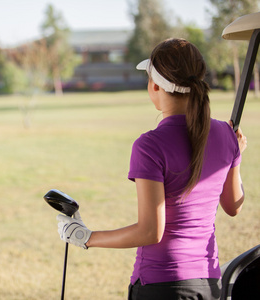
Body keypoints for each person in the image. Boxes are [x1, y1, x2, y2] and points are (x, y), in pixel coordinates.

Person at [56, 38, 247, 300]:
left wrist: (85, 237)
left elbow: (150, 231)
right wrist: (236, 156)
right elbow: (233, 206)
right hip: (209, 284)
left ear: (154, 85)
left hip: (160, 286)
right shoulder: (226, 135)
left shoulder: (149, 145)